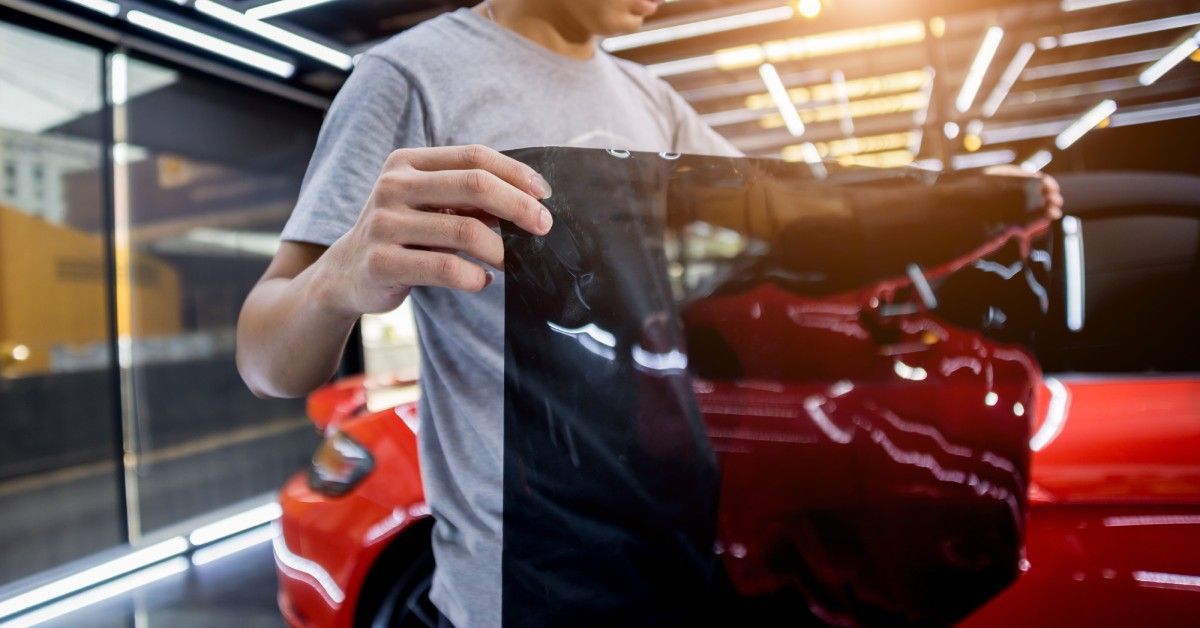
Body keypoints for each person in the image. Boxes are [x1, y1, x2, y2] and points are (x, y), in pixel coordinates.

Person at [236, 1, 1063, 626]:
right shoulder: (414, 78)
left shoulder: (650, 100)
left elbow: (807, 233)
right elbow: (267, 356)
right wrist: (337, 278)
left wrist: (969, 213)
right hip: (524, 580)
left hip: (672, 551)